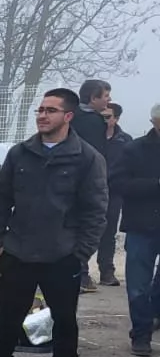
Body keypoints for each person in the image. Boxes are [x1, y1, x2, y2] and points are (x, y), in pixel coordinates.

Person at [0, 88, 108, 357]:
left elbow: (96, 211)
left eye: (50, 110)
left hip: (62, 254)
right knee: (8, 312)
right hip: (17, 250)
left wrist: (80, 253)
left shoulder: (87, 158)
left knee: (64, 316)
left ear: (68, 116)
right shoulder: (20, 153)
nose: (42, 115)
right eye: (40, 110)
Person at [110, 103, 160, 356]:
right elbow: (118, 183)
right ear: (155, 122)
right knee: (138, 285)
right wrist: (155, 184)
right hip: (142, 227)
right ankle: (141, 334)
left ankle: (154, 316)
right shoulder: (134, 150)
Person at [71, 78, 118, 289]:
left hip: (74, 181)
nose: (108, 101)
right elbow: (101, 152)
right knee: (93, 227)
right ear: (93, 98)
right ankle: (83, 274)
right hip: (90, 183)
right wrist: (108, 131)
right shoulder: (93, 122)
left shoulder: (73, 117)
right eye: (105, 96)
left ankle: (82, 274)